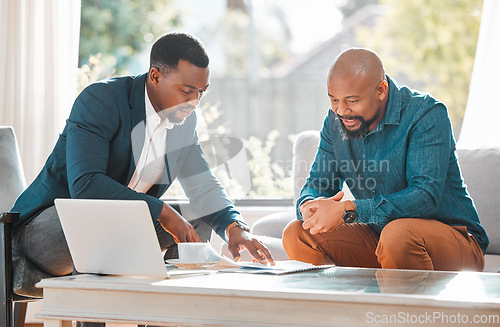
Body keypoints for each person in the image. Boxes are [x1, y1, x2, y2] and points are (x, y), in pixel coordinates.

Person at [11, 32, 274, 290]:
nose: (195, 102)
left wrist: (234, 227)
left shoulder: (184, 122)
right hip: (40, 231)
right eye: (186, 90)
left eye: (202, 92)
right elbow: (86, 184)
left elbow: (202, 185)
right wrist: (161, 211)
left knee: (199, 218)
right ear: (155, 76)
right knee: (96, 215)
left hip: (118, 226)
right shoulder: (101, 99)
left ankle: (163, 314)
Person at [282, 48, 488, 271]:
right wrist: (310, 207)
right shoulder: (335, 121)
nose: (341, 111)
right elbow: (318, 184)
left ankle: (397, 307)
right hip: (381, 239)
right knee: (297, 233)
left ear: (381, 90)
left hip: (455, 241)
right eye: (334, 99)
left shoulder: (426, 114)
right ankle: (343, 306)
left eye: (352, 100)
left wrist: (347, 210)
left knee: (398, 235)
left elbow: (424, 197)